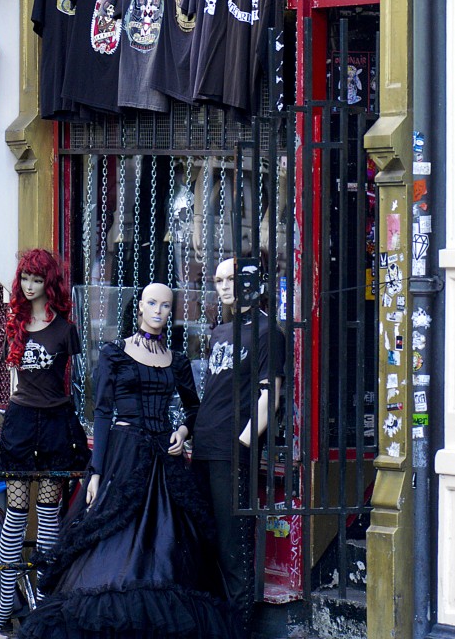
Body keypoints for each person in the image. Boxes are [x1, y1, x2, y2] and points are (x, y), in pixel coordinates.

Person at [17, 282, 231, 639]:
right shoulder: (115, 352)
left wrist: (181, 432)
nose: (159, 311)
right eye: (152, 303)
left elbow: (194, 409)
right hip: (124, 453)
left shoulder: (175, 360)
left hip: (164, 459)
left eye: (166, 305)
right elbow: (102, 413)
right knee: (112, 539)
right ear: (141, 308)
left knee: (166, 544)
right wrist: (96, 471)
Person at [0, 249, 89, 635]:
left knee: (48, 514)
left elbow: (75, 386)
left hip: (56, 422)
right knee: (15, 515)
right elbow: (15, 381)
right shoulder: (14, 323)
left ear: (49, 283)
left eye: (36, 279)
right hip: (21, 421)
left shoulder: (65, 329)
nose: (29, 286)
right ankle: (5, 605)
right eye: (24, 279)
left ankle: (44, 604)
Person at [192, 257, 286, 639]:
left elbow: (271, 397)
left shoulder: (268, 333)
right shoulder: (220, 332)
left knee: (235, 548)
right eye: (218, 279)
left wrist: (244, 440)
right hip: (202, 445)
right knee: (206, 542)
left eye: (233, 278)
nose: (226, 286)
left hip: (233, 449)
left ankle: (238, 631)